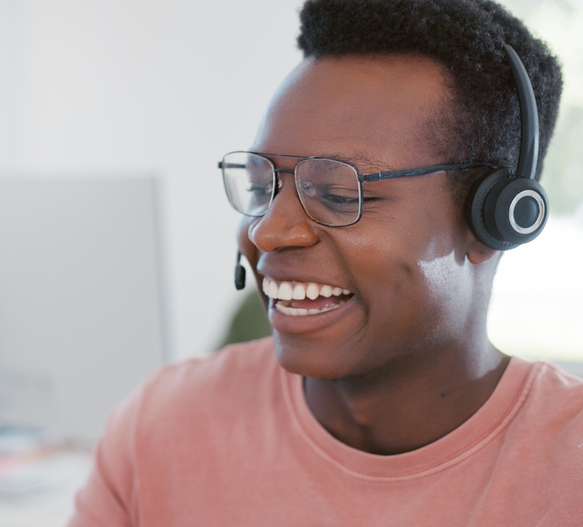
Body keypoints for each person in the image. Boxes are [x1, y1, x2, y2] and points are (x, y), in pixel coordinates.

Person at [69, 0, 583, 525]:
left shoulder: (570, 471)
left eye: (339, 195)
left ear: (495, 220)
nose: (267, 230)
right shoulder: (161, 427)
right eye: (261, 187)